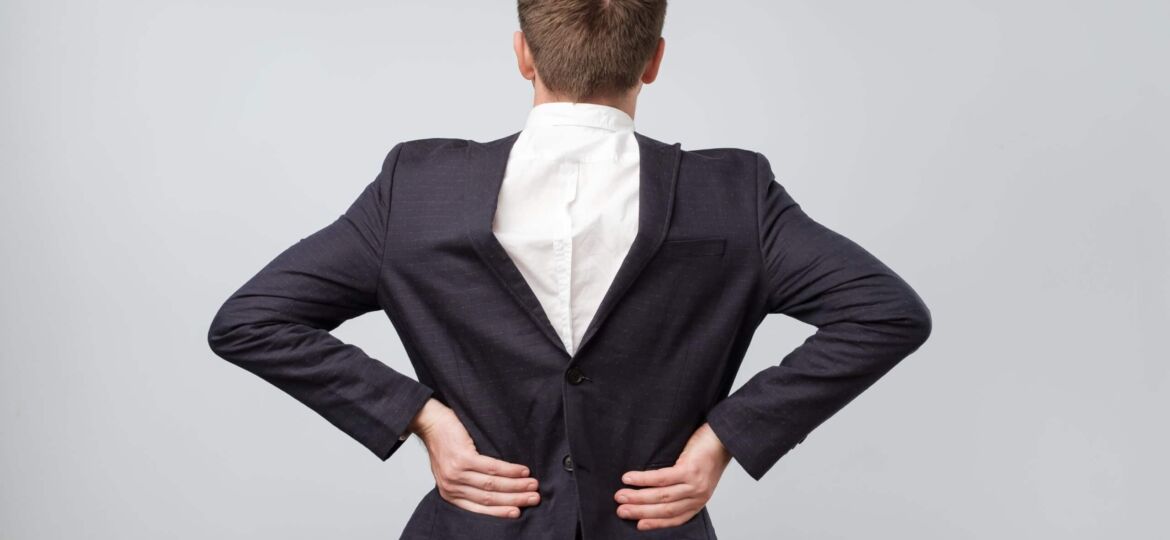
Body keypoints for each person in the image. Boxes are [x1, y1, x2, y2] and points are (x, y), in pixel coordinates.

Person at [207, 1, 933, 538]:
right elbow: (887, 311)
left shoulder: (417, 189)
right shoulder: (733, 195)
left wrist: (423, 420)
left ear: (523, 54)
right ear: (654, 60)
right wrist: (725, 437)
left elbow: (250, 320)